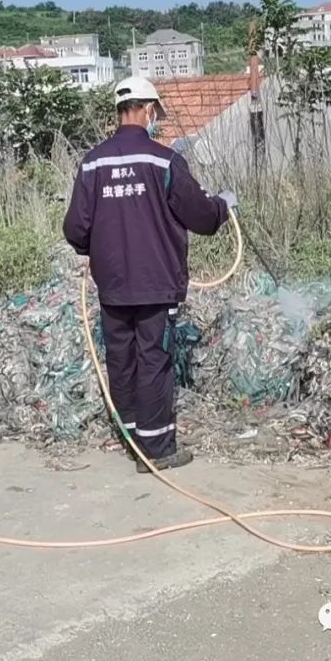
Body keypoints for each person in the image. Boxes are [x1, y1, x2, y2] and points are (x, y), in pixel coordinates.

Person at [63, 76, 236, 472]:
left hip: (112, 286)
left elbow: (75, 227)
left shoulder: (93, 162)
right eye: (155, 112)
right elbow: (202, 217)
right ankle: (156, 450)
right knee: (154, 360)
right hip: (156, 282)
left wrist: (92, 250)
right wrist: (224, 205)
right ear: (148, 110)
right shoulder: (165, 162)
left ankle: (131, 437)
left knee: (121, 359)